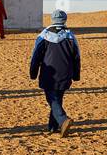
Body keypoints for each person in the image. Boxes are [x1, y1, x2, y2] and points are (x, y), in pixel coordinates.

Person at [29, 9, 80, 137]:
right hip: (65, 72)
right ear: (64, 20)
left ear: (52, 20)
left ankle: (63, 120)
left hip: (48, 73)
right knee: (57, 98)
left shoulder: (44, 35)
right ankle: (53, 126)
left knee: (52, 99)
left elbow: (36, 56)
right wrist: (76, 74)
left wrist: (33, 72)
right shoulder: (70, 36)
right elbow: (76, 57)